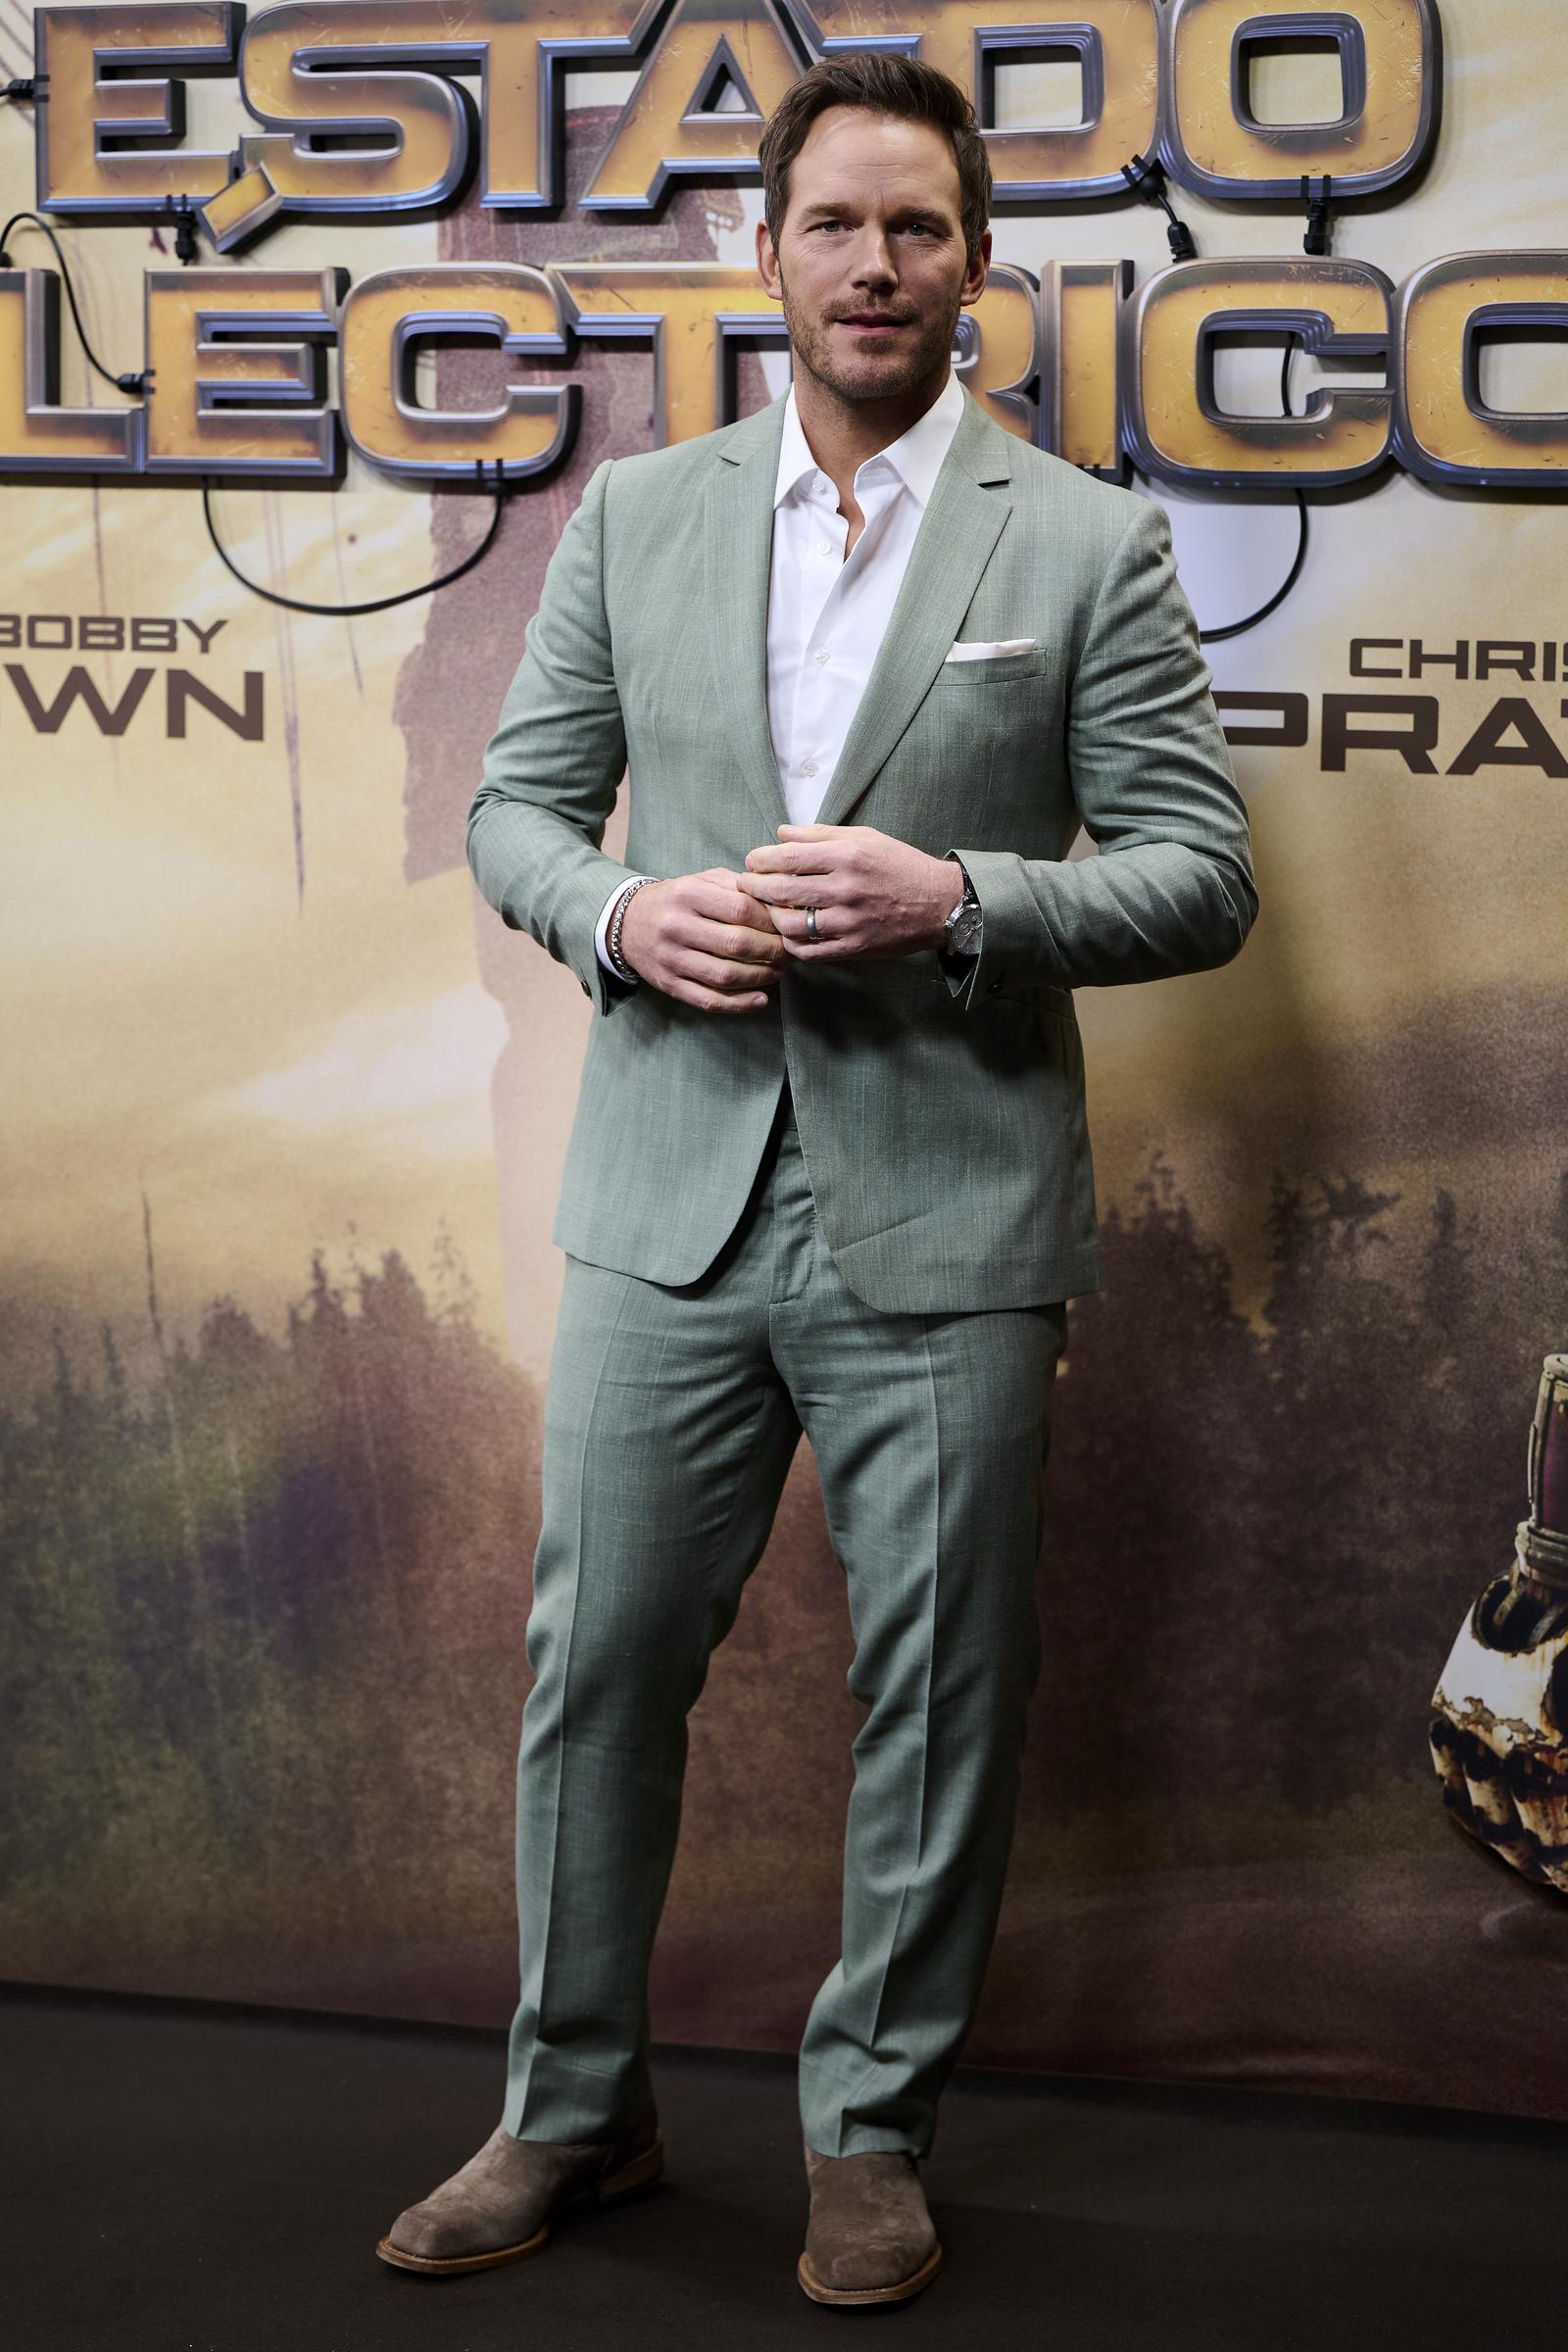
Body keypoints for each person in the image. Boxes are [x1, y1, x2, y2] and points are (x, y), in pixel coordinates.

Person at [378, 49, 1256, 2308]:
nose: (877, 266)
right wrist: (613, 917)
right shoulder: (636, 518)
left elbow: (1193, 878)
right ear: (765, 254)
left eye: (921, 231)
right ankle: (571, 2111)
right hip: (664, 1191)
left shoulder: (1081, 540)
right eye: (837, 225)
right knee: (596, 1671)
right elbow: (515, 812)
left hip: (946, 1216)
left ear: (975, 269)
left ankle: (869, 2135)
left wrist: (955, 894)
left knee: (941, 1689)